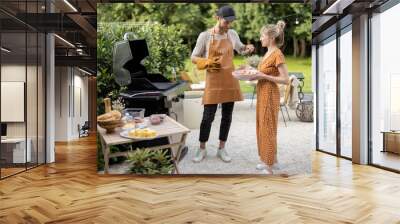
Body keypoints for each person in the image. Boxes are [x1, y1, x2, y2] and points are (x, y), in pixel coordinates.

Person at [191, 5, 255, 163]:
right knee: (207, 118)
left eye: (231, 22)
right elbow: (194, 57)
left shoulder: (232, 34)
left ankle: (221, 148)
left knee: (227, 117)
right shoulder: (205, 36)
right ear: (217, 18)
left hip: (229, 80)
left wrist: (247, 48)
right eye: (226, 22)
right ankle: (202, 148)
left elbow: (240, 49)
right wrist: (207, 62)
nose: (229, 25)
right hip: (213, 81)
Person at [249, 21, 289, 174]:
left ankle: (269, 166)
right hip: (262, 93)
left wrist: (263, 75)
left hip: (270, 94)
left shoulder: (277, 54)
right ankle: (272, 160)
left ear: (271, 38)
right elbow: (263, 74)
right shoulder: (268, 53)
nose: (260, 38)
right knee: (262, 126)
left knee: (268, 128)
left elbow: (285, 79)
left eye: (262, 36)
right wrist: (255, 75)